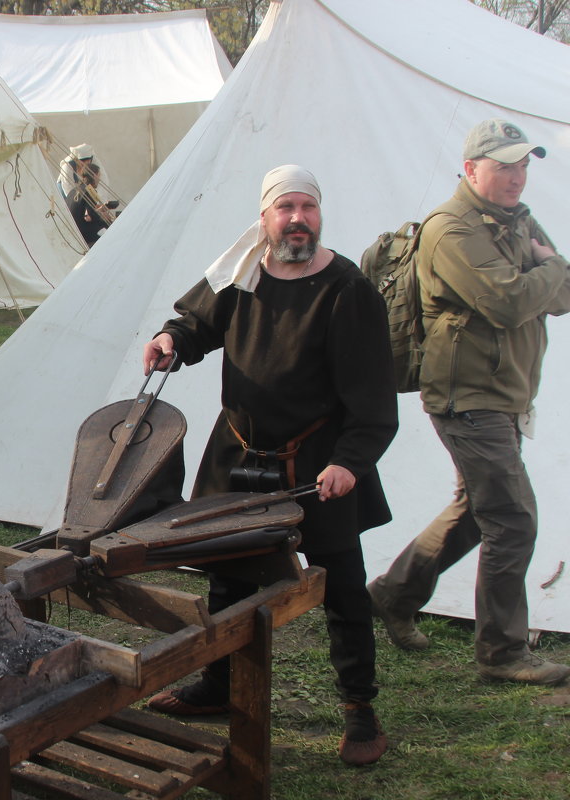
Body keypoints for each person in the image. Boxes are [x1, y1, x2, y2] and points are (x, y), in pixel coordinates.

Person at [141, 165, 398, 766]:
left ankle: (360, 709)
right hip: (238, 451)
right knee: (227, 575)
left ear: (319, 216)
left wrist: (350, 463)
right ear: (265, 218)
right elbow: (195, 324)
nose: (297, 220)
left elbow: (374, 399)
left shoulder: (347, 290)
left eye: (307, 207)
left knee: (342, 588)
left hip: (318, 464)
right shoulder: (241, 274)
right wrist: (170, 339)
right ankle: (219, 686)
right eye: (286, 208)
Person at [368, 120, 570, 686]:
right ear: (471, 169)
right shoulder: (451, 229)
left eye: (524, 164)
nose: (517, 176)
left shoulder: (517, 221)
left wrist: (543, 276)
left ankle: (392, 593)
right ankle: (503, 654)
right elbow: (509, 302)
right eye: (504, 165)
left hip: (505, 393)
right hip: (467, 397)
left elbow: (566, 293)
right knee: (513, 518)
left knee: (478, 510)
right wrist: (544, 269)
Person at [67, 162, 110, 247]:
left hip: (72, 228)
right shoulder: (89, 190)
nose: (99, 179)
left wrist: (99, 210)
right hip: (81, 231)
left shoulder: (73, 190)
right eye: (99, 175)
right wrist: (104, 217)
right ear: (94, 176)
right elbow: (92, 215)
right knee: (107, 225)